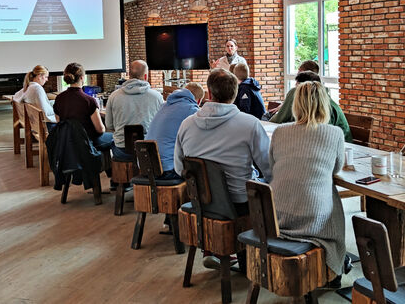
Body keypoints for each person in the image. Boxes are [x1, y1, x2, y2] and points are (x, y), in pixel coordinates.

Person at [174, 68, 271, 270]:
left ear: (209, 94)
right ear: (235, 94)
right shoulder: (249, 124)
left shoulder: (186, 124)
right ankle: (252, 262)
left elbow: (178, 168)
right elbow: (269, 169)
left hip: (200, 202)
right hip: (239, 204)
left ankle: (212, 250)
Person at [268, 80, 351, 284]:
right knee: (331, 195)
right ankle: (336, 265)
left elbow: (272, 165)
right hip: (312, 217)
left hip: (276, 214)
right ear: (325, 105)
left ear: (296, 104)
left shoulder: (280, 131)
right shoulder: (334, 134)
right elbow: (337, 168)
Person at [271, 67, 353, 143]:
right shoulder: (317, 103)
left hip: (345, 147)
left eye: (298, 88)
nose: (295, 92)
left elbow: (322, 135)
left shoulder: (325, 107)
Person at [106, 60, 164, 161]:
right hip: (148, 150)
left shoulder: (114, 96)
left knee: (111, 142)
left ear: (129, 75)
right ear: (146, 76)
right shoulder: (157, 96)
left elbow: (109, 125)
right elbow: (162, 124)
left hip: (122, 151)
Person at [145, 82, 205, 180]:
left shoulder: (164, 106)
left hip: (146, 165)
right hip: (167, 169)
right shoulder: (192, 110)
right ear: (198, 101)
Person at [53, 62, 113, 153]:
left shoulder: (58, 99)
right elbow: (100, 130)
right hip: (88, 142)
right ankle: (103, 166)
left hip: (67, 141)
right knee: (114, 137)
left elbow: (59, 122)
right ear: (82, 78)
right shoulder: (89, 101)